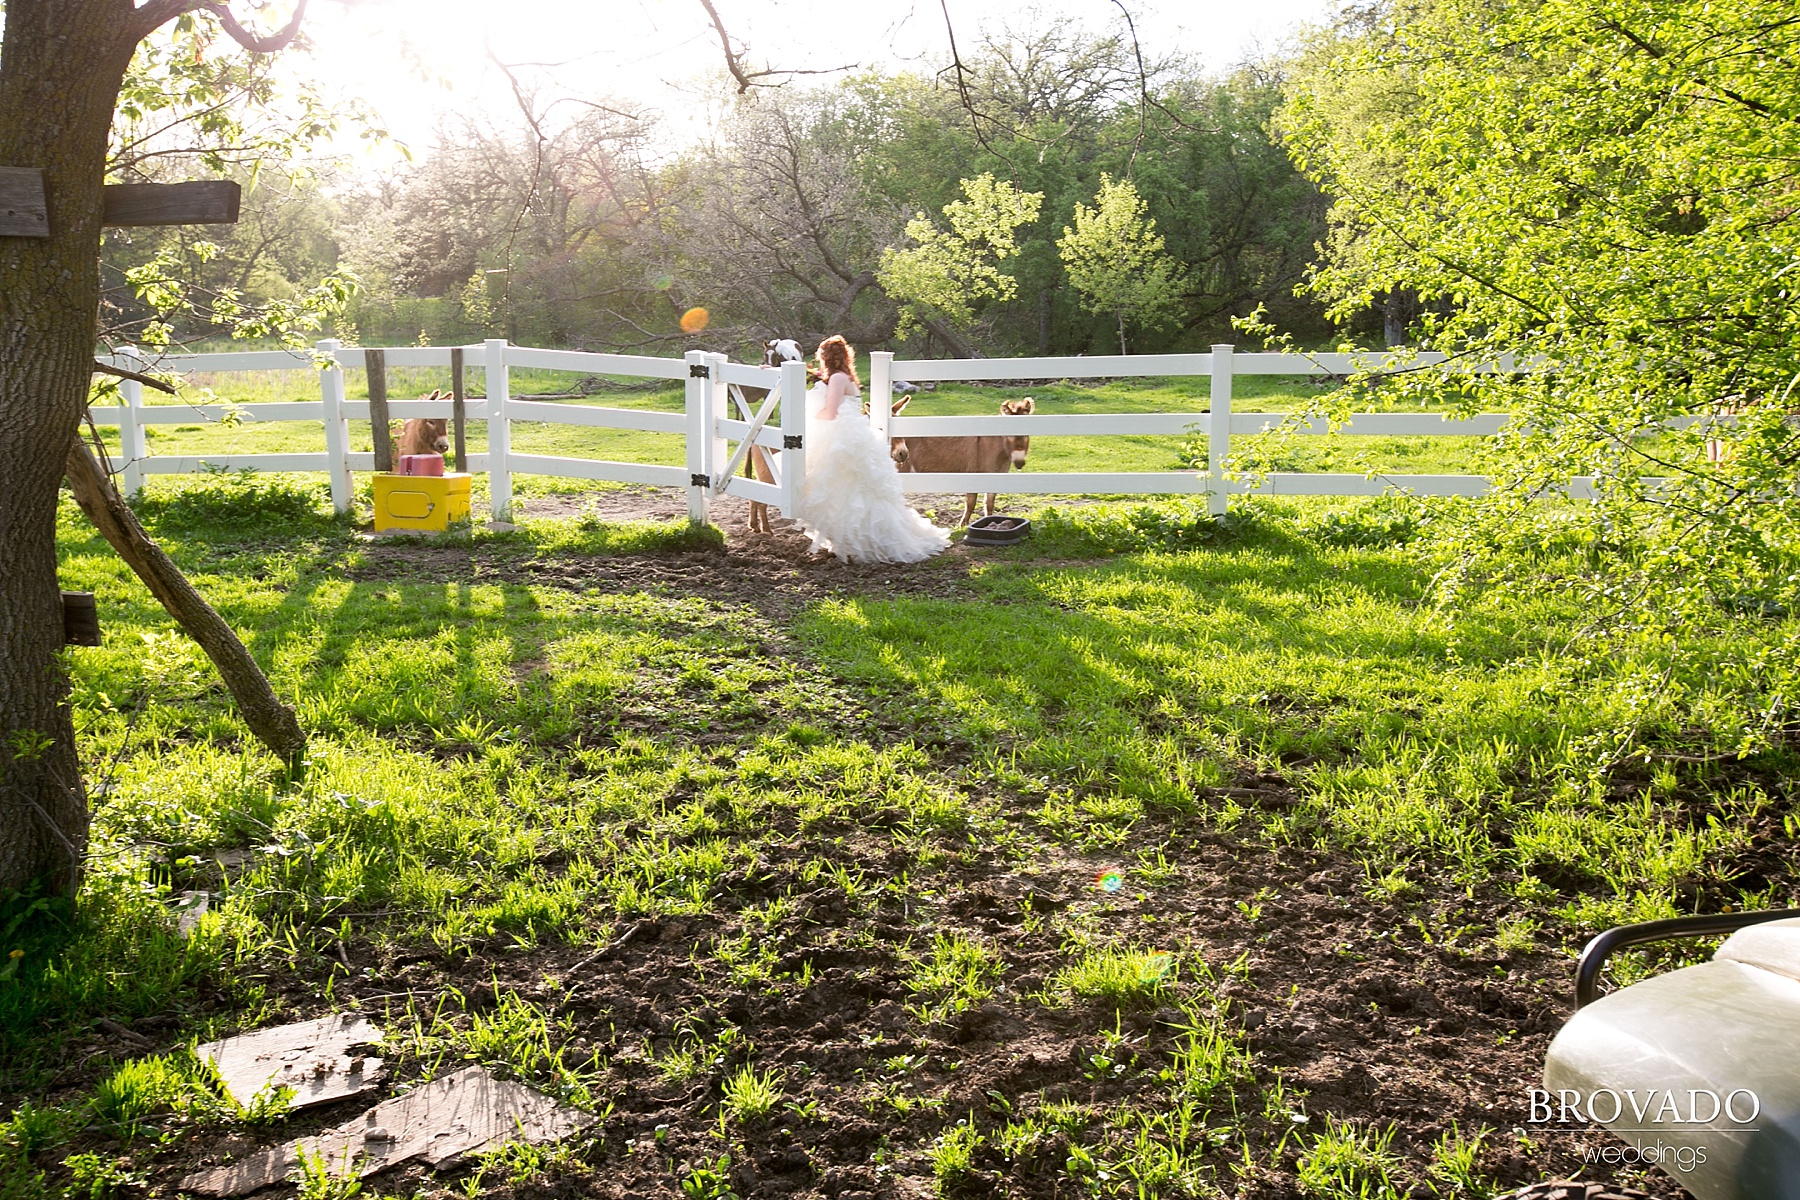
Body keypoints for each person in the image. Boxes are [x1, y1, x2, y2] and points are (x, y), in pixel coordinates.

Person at [796, 336, 950, 563]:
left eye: (820, 354)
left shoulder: (838, 378)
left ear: (826, 357)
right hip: (851, 433)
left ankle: (859, 541)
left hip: (841, 436)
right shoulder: (845, 377)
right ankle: (848, 540)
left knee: (847, 489)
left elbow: (831, 411)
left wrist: (806, 418)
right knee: (851, 490)